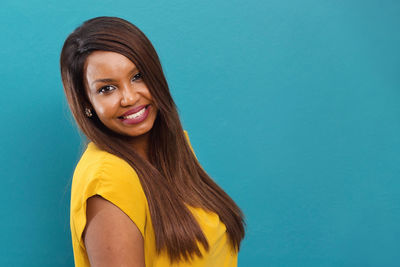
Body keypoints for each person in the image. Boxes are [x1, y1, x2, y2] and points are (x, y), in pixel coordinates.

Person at [60, 16, 245, 267]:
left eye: (137, 76)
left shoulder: (175, 147)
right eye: (107, 89)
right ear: (87, 104)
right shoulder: (109, 179)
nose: (129, 97)